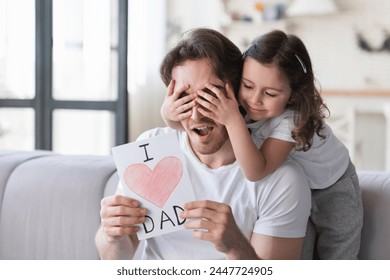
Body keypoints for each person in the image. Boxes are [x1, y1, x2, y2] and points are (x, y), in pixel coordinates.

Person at [95, 28, 311, 260]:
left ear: (238, 94)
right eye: (184, 99)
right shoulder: (150, 147)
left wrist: (236, 246)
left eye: (209, 97)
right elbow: (115, 258)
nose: (196, 115)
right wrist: (112, 235)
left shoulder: (282, 179)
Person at [161, 30, 363, 259]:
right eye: (247, 86)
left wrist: (232, 119)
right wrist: (167, 114)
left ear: (293, 95)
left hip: (333, 185)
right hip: (298, 185)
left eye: (269, 92)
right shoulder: (247, 106)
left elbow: (256, 170)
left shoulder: (290, 120)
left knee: (338, 254)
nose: (255, 100)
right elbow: (191, 127)